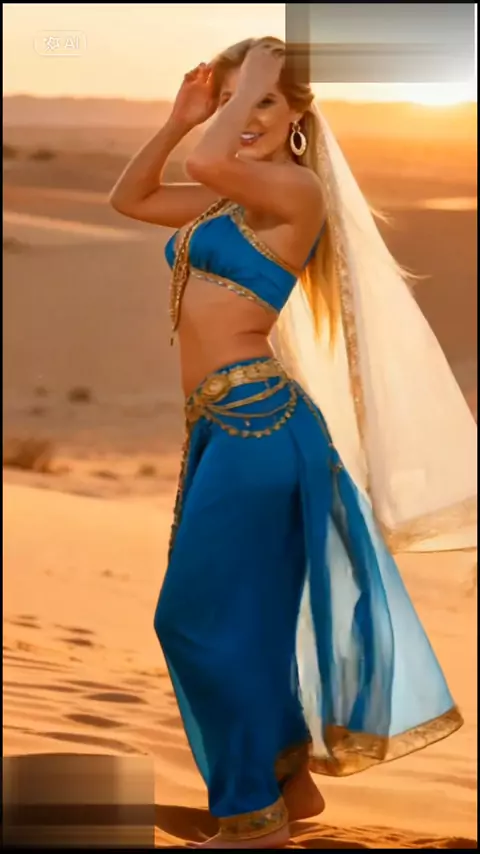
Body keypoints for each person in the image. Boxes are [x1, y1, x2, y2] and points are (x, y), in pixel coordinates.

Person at [109, 37, 477, 850]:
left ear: (297, 114)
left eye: (263, 100)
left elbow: (209, 161)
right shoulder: (224, 200)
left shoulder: (293, 191)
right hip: (220, 430)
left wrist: (238, 97)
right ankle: (281, 780)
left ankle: (252, 815)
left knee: (193, 623)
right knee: (245, 619)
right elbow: (131, 198)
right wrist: (179, 118)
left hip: (260, 427)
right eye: (231, 101)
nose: (242, 115)